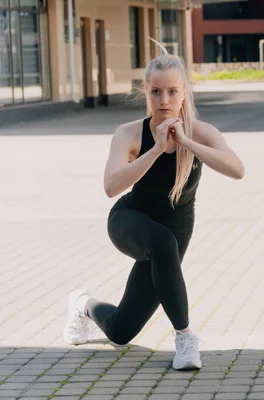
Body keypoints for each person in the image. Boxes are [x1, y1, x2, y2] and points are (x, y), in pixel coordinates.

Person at [62, 40, 245, 371]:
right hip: (129, 220)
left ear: (184, 92)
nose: (164, 101)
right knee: (162, 241)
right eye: (156, 92)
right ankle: (185, 338)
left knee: (121, 331)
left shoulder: (202, 133)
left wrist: (186, 141)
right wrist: (157, 149)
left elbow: (237, 170)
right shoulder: (129, 134)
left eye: (172, 92)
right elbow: (110, 186)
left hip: (175, 230)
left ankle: (83, 304)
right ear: (145, 91)